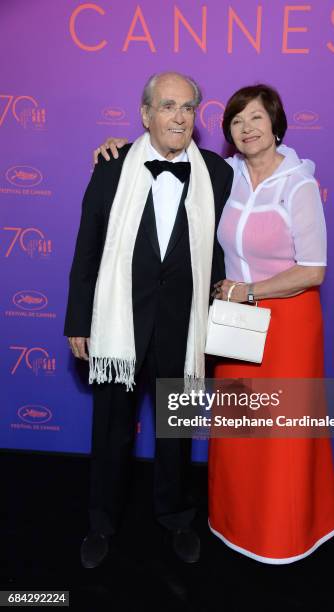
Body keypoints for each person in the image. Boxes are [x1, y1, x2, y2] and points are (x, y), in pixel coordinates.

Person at [93, 83, 334, 564]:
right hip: (226, 325)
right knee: (237, 433)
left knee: (281, 435)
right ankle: (233, 524)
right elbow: (98, 235)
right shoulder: (222, 174)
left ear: (276, 125)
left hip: (283, 323)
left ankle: (281, 531)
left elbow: (314, 270)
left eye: (256, 119)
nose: (247, 129)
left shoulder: (297, 182)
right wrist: (112, 147)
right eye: (236, 121)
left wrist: (248, 291)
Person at [64, 71, 233, 568]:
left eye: (187, 108)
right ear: (145, 114)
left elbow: (223, 251)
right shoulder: (112, 166)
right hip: (120, 325)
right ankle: (101, 523)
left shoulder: (216, 174)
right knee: (111, 429)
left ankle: (176, 517)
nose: (178, 117)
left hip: (184, 328)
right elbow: (88, 248)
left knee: (175, 432)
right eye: (167, 106)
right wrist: (79, 320)